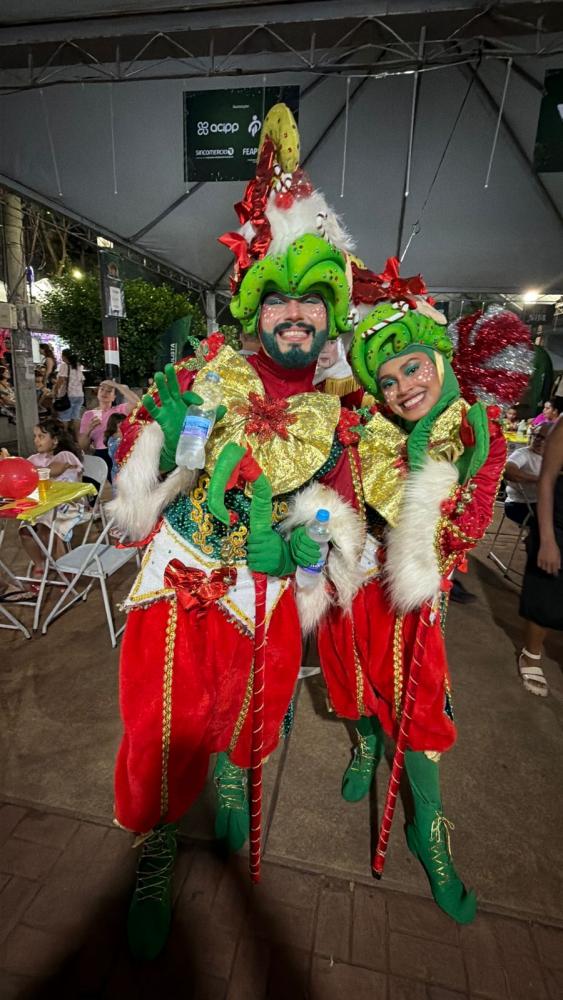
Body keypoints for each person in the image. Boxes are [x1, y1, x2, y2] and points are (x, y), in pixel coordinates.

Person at [108, 103, 365, 960]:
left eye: (311, 302)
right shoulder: (204, 373)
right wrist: (146, 438)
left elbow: (335, 530)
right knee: (158, 725)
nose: (295, 314)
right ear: (255, 309)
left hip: (261, 595)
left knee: (246, 715)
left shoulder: (338, 413)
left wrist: (299, 550)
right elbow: (141, 479)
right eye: (279, 300)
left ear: (328, 316)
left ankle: (226, 785)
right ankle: (153, 847)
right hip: (178, 574)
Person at [314, 299, 529, 924]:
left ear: (440, 362)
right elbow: (333, 500)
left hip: (411, 601)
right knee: (350, 679)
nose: (402, 387)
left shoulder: (476, 433)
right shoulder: (363, 429)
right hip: (352, 585)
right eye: (387, 380)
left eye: (413, 368)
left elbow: (464, 534)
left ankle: (428, 830)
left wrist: (439, 484)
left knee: (420, 709)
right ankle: (363, 748)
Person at [2, 418, 83, 578]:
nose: (36, 440)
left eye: (41, 436)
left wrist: (17, 464)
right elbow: (20, 477)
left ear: (55, 440)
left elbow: (52, 470)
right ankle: (40, 564)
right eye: (35, 436)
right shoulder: (33, 459)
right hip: (42, 505)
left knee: (48, 528)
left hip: (68, 504)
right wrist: (9, 464)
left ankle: (65, 571)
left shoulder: (66, 456)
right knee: (25, 530)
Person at [518, 416, 563, 697]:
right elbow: (546, 479)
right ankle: (531, 654)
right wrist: (547, 539)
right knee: (548, 590)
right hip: (559, 520)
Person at [78, 380, 138, 480]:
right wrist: (89, 429)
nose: (104, 393)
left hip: (120, 450)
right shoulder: (88, 415)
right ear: (97, 393)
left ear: (114, 397)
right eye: (102, 389)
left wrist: (116, 385)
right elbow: (82, 446)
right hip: (101, 453)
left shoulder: (119, 409)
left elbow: (137, 402)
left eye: (109, 391)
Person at [504, 424, 549, 524]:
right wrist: (540, 479)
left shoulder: (552, 457)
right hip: (520, 505)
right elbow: (508, 471)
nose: (539, 441)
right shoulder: (523, 454)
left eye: (545, 438)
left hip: (541, 504)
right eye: (537, 436)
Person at [54, 349, 85, 434]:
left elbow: (61, 380)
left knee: (64, 417)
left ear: (65, 356)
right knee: (76, 417)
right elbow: (82, 381)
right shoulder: (78, 366)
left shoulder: (64, 366)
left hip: (68, 396)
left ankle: (65, 436)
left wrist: (55, 391)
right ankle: (77, 436)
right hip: (79, 395)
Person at [104, 411, 126, 497]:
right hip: (118, 472)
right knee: (118, 496)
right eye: (120, 427)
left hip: (129, 471)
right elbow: (115, 455)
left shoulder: (127, 437)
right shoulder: (112, 441)